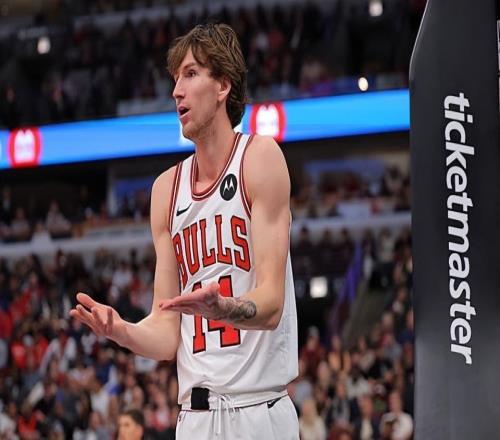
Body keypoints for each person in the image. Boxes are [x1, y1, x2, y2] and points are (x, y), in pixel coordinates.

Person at [70, 23, 299, 439]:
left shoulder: (259, 158)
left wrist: (222, 308)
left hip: (258, 409)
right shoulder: (165, 190)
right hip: (194, 418)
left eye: (191, 74)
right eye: (175, 78)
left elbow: (270, 304)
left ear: (223, 86)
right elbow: (165, 331)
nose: (177, 90)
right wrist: (121, 330)